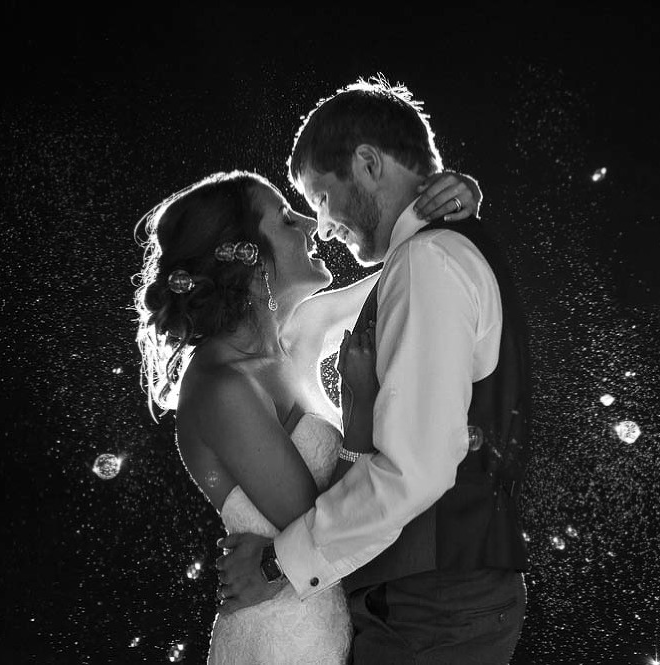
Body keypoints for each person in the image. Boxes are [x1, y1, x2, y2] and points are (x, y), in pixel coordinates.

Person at [216, 76, 533, 663]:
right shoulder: (429, 256)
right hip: (431, 603)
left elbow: (415, 469)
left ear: (366, 162)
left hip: (432, 607)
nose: (324, 225)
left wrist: (277, 562)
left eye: (321, 198)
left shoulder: (429, 263)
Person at [134, 167, 483, 663]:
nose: (310, 224)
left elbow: (416, 269)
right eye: (284, 217)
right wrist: (357, 411)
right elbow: (318, 534)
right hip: (280, 643)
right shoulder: (223, 387)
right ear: (247, 255)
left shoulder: (298, 332)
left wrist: (458, 203)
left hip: (329, 628)